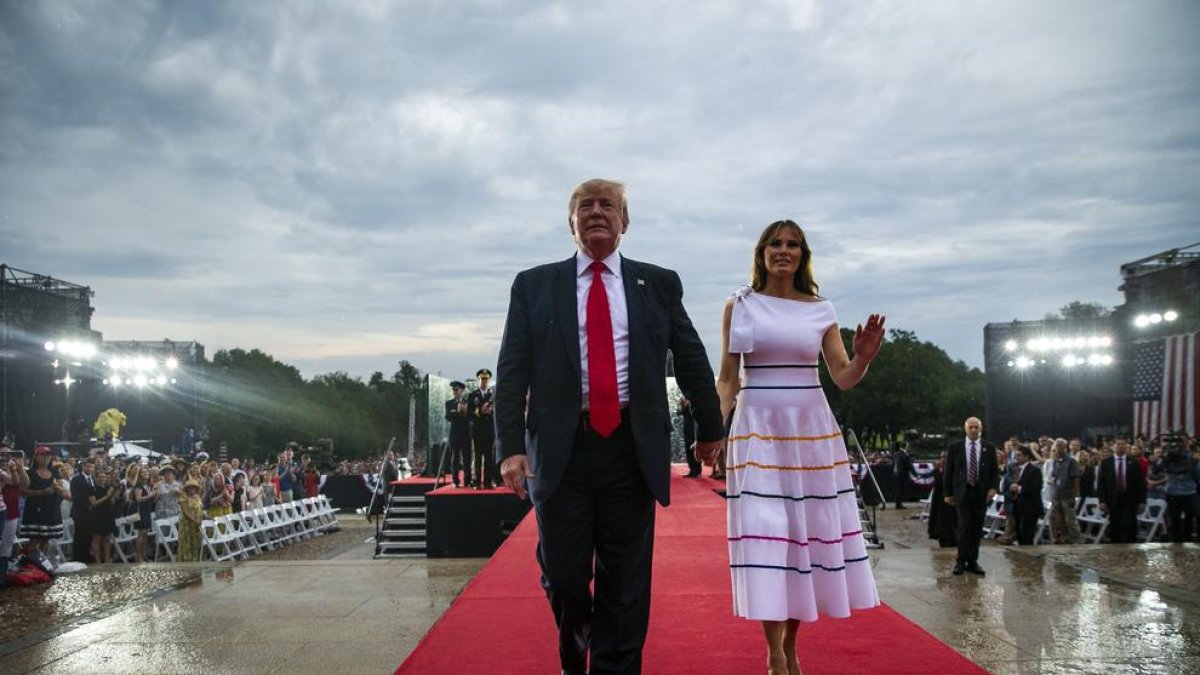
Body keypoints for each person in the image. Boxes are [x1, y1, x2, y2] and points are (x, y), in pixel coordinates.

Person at [494, 178, 725, 675]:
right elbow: (512, 370)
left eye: (608, 205)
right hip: (560, 450)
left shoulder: (657, 283)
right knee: (564, 574)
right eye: (586, 205)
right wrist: (510, 447)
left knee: (624, 580)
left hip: (630, 448)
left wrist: (711, 428)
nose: (597, 212)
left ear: (625, 221)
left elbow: (690, 356)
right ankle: (574, 652)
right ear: (570, 221)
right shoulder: (533, 284)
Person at [716, 219, 885, 675]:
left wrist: (864, 356)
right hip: (758, 431)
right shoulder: (739, 305)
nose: (783, 250)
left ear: (803, 254)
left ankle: (791, 644)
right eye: (775, 243)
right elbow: (728, 378)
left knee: (801, 541)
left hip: (811, 432)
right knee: (768, 537)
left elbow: (843, 378)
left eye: (792, 244)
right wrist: (716, 430)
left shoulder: (820, 309)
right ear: (762, 252)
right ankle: (773, 652)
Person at [943, 417, 999, 576]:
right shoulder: (956, 447)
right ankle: (960, 561)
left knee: (977, 527)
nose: (974, 430)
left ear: (981, 429)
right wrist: (947, 493)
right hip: (963, 492)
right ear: (966, 429)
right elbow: (949, 471)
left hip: (981, 493)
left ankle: (973, 560)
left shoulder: (988, 447)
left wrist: (993, 488)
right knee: (965, 526)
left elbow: (995, 471)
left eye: (976, 427)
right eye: (971, 427)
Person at [19, 446, 67, 557]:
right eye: (43, 455)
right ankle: (32, 566)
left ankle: (43, 565)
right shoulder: (30, 473)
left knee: (46, 539)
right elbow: (22, 492)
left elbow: (60, 488)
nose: (46, 458)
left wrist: (58, 487)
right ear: (36, 457)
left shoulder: (55, 472)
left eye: (48, 455)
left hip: (51, 509)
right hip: (35, 510)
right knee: (34, 540)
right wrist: (42, 492)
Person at [1097, 437, 1146, 543]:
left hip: (1130, 498)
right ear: (1114, 446)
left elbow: (1140, 483)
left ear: (1126, 447)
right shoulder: (1106, 462)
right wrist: (1101, 501)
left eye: (1123, 444)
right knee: (1115, 523)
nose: (1121, 446)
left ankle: (1131, 548)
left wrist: (1142, 501)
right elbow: (1101, 484)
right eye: (1118, 444)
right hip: (1113, 498)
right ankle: (1115, 549)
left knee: (1130, 524)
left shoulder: (1133, 462)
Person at [1007, 446, 1044, 545]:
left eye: (1019, 455)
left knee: (1027, 533)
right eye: (1015, 456)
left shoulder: (1034, 470)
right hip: (1017, 505)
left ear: (1026, 456)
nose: (1016, 458)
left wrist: (1019, 489)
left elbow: (1036, 487)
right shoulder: (1015, 469)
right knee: (1019, 532)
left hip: (1030, 507)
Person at [468, 369, 497, 489]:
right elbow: (469, 413)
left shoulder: (492, 395)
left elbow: (498, 411)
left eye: (486, 379)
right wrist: (480, 411)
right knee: (478, 458)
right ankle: (477, 482)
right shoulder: (473, 395)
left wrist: (491, 411)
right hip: (478, 431)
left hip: (489, 431)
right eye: (482, 379)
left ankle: (488, 482)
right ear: (478, 380)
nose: (484, 381)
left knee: (489, 457)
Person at [1049, 439, 1082, 544]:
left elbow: (1076, 479)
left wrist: (1074, 495)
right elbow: (1054, 476)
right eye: (1056, 446)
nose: (1058, 449)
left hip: (1067, 494)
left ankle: (1076, 539)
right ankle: (1064, 537)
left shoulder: (1071, 461)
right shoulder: (1055, 461)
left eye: (1060, 446)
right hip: (1057, 494)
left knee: (1070, 519)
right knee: (1059, 519)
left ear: (1065, 448)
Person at [926, 450, 957, 548]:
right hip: (939, 501)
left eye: (945, 457)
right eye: (942, 457)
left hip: (950, 501)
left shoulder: (954, 470)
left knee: (950, 523)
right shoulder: (940, 470)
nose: (943, 459)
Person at [445, 381, 472, 487]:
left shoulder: (467, 402)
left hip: (466, 434)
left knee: (467, 459)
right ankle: (455, 481)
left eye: (457, 390)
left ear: (461, 391)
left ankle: (467, 480)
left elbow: (471, 417)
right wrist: (457, 411)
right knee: (454, 459)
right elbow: (448, 417)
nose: (455, 392)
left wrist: (465, 411)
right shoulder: (449, 403)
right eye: (454, 390)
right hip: (455, 435)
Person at [70, 458, 96, 563]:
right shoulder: (76, 479)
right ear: (83, 466)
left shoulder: (92, 479)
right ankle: (78, 557)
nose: (89, 469)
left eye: (91, 467)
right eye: (88, 466)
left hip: (90, 513)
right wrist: (89, 503)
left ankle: (86, 556)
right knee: (79, 535)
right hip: (80, 511)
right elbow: (76, 496)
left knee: (88, 535)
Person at [90, 470, 118, 563]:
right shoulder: (92, 489)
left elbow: (113, 502)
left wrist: (114, 494)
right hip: (97, 516)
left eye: (104, 477)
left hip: (108, 515)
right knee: (97, 538)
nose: (102, 479)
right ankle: (97, 559)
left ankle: (106, 558)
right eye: (100, 477)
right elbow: (94, 503)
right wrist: (107, 496)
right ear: (96, 478)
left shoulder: (108, 488)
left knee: (107, 538)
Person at [178, 480, 204, 562]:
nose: (192, 489)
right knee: (187, 543)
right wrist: (195, 520)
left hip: (197, 525)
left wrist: (206, 516)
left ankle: (196, 561)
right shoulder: (183, 497)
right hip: (187, 524)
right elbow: (185, 512)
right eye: (190, 488)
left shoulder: (197, 496)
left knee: (196, 543)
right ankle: (186, 563)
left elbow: (200, 509)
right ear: (187, 489)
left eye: (194, 487)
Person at [677, 396, 701, 478]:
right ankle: (693, 470)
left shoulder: (694, 402)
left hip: (693, 430)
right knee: (689, 450)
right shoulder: (685, 404)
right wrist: (683, 404)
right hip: (687, 430)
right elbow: (679, 412)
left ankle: (696, 470)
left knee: (693, 449)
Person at [893, 442, 912, 508]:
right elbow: (908, 465)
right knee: (901, 490)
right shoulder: (904, 455)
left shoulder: (896, 454)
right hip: (902, 475)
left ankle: (898, 503)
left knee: (899, 489)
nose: (909, 447)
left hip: (896, 474)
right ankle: (899, 504)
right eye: (908, 446)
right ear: (905, 447)